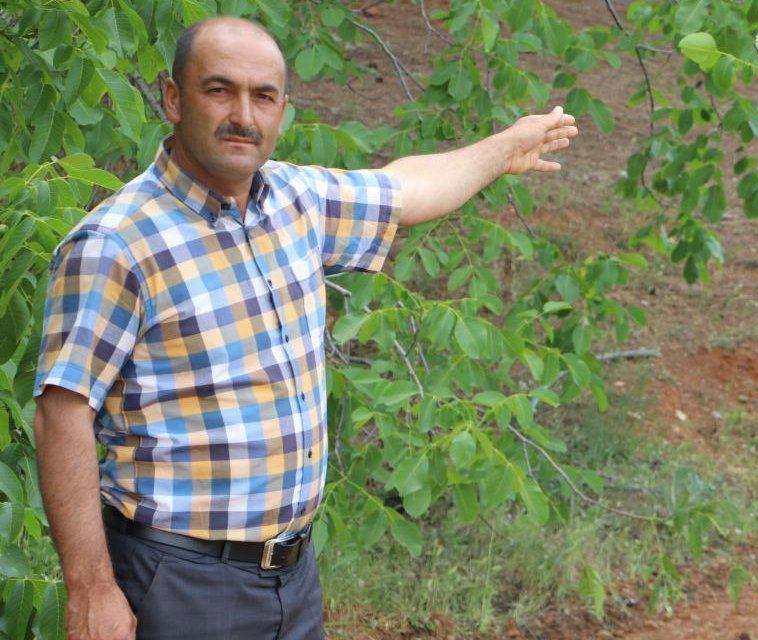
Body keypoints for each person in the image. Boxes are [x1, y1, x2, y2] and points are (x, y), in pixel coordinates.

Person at [33, 16, 577, 640]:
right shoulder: (115, 244)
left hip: (293, 576)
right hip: (179, 581)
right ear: (173, 99)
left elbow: (408, 189)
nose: (243, 114)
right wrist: (91, 588)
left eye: (263, 96)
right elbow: (62, 411)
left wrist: (506, 149)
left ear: (284, 110)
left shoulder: (296, 200)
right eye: (219, 90)